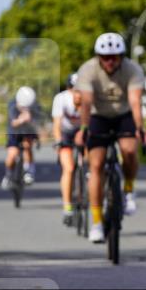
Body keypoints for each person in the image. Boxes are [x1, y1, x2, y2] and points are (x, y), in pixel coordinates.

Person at [74, 32, 146, 243]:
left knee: (129, 150)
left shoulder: (132, 70)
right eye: (105, 57)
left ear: (121, 56)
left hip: (123, 114)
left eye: (114, 57)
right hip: (98, 116)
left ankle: (128, 190)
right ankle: (97, 222)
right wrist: (84, 128)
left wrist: (140, 128)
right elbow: (86, 103)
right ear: (98, 57)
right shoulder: (88, 70)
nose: (109, 61)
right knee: (96, 165)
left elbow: (135, 101)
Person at [52, 73, 83, 225]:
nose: (77, 94)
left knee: (93, 160)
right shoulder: (61, 99)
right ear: (68, 89)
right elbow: (57, 124)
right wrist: (58, 141)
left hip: (82, 131)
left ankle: (88, 182)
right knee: (69, 168)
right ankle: (67, 206)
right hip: (65, 133)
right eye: (74, 90)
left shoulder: (89, 99)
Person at [1, 86, 42, 189]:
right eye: (22, 107)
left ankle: (29, 171)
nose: (24, 109)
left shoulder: (35, 106)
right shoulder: (12, 104)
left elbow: (38, 123)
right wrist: (22, 120)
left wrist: (31, 121)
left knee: (27, 147)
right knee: (12, 155)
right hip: (14, 132)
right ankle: (8, 176)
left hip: (28, 131)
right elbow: (13, 123)